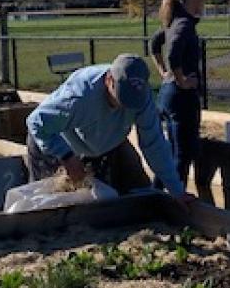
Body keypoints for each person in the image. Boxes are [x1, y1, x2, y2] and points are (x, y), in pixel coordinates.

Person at [25, 54, 194, 204]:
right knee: (51, 204)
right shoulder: (79, 96)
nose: (123, 107)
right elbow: (36, 123)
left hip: (105, 142)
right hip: (56, 143)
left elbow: (154, 144)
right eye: (121, 99)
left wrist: (176, 190)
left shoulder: (143, 97)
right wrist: (67, 157)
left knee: (139, 192)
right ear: (109, 80)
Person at [158, 0, 214, 188]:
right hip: (181, 97)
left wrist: (165, 73)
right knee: (183, 154)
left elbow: (156, 44)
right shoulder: (183, 24)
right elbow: (172, 54)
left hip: (169, 94)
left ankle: (157, 198)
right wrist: (180, 78)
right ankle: (175, 204)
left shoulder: (174, 21)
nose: (204, 0)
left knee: (171, 155)